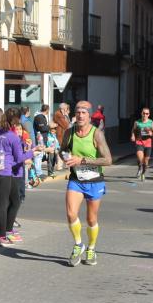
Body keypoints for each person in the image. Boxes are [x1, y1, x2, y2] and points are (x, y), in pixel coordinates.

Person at [61, 101, 113, 266]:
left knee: (91, 219)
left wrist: (82, 160)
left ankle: (91, 248)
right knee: (70, 214)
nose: (80, 115)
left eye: (84, 113)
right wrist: (66, 158)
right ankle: (78, 244)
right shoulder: (69, 133)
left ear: (89, 116)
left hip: (94, 181)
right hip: (76, 179)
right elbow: (63, 150)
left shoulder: (96, 134)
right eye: (78, 113)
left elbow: (108, 160)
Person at [0, 107, 39, 246]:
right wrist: (32, 152)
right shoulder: (13, 137)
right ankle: (2, 236)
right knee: (4, 203)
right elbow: (20, 157)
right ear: (16, 121)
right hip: (4, 172)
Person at [131, 107, 153, 180]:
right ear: (141, 113)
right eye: (144, 113)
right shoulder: (137, 122)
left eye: (147, 113)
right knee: (141, 159)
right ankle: (140, 167)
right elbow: (133, 130)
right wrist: (133, 136)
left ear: (149, 114)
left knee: (146, 161)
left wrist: (151, 134)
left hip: (148, 143)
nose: (145, 115)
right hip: (139, 141)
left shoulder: (151, 123)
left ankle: (143, 172)